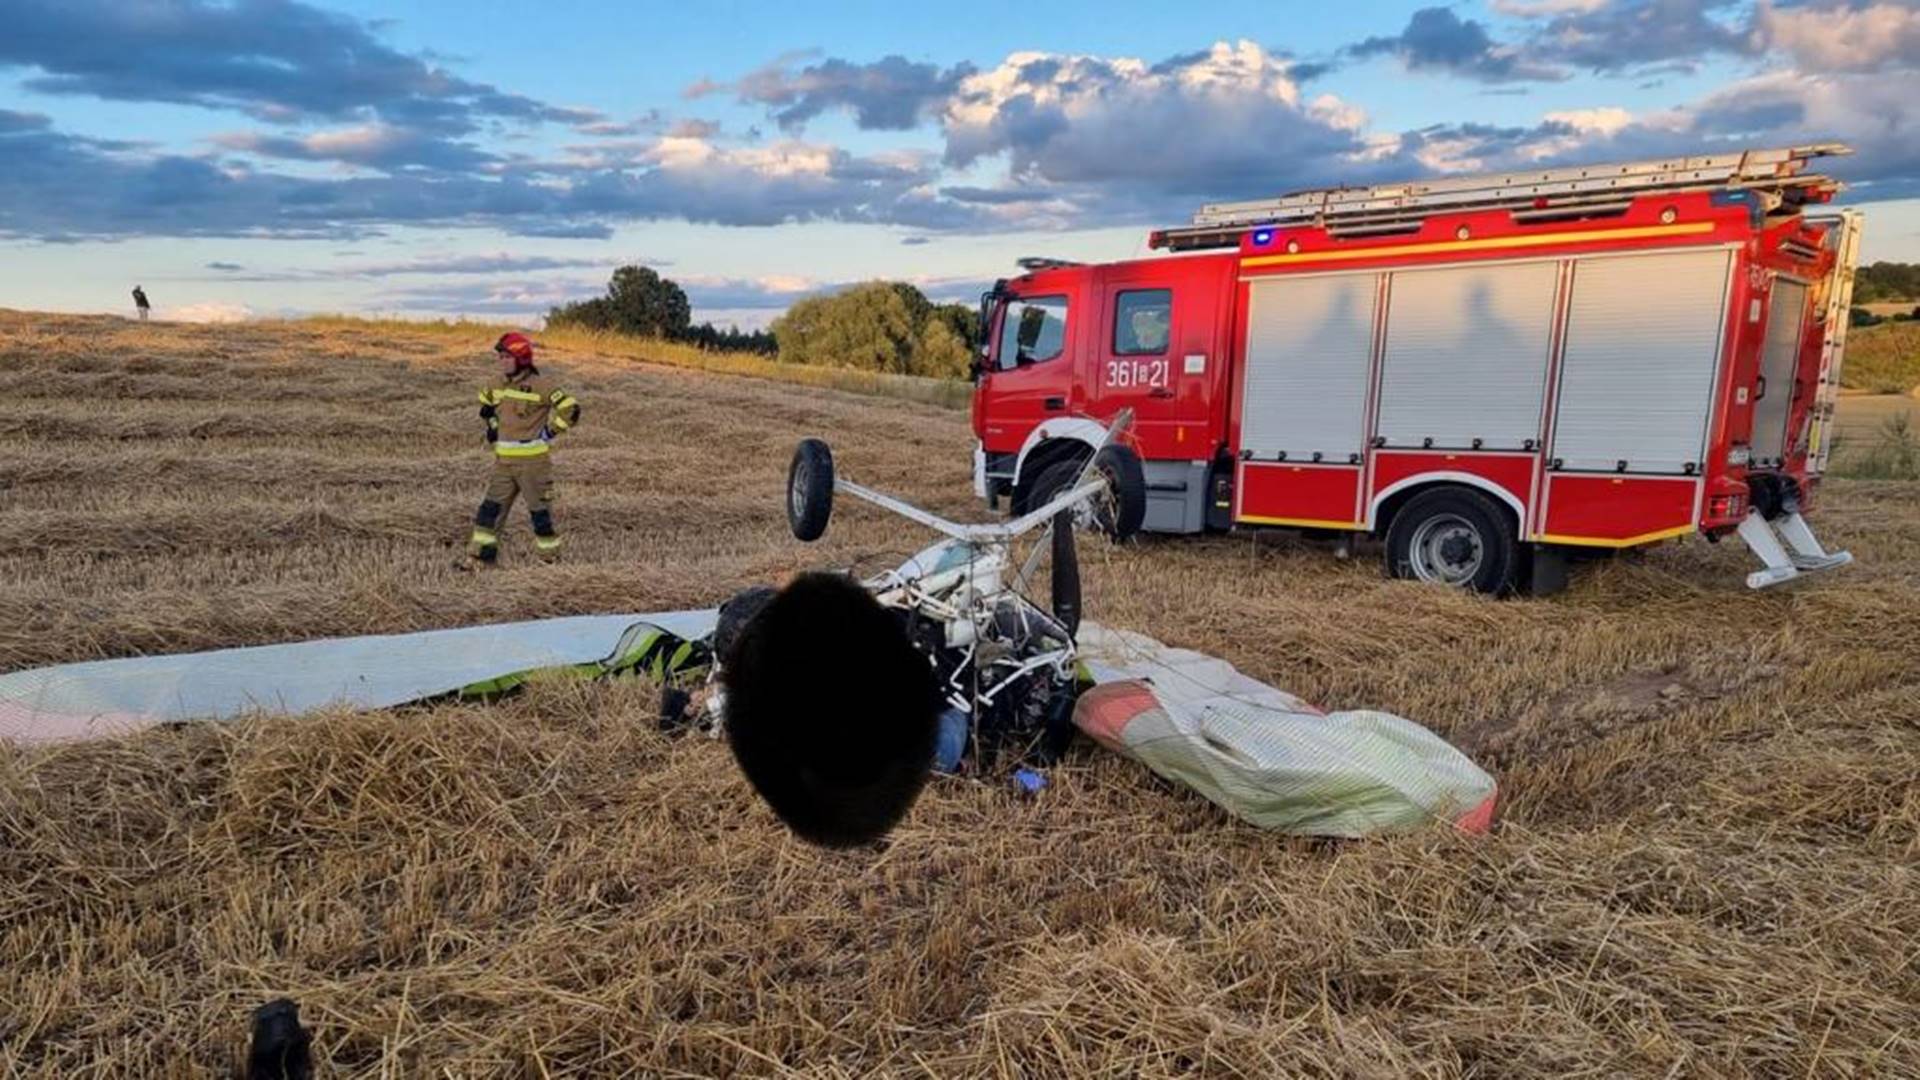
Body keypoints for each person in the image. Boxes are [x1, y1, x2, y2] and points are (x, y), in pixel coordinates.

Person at [465, 332, 581, 567]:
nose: (502, 361)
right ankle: (480, 560)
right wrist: (493, 426)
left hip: (533, 465)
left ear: (522, 359)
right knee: (489, 512)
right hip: (503, 463)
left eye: (507, 357)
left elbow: (571, 409)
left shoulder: (542, 386)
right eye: (500, 357)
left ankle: (549, 561)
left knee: (541, 516)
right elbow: (485, 404)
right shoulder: (495, 384)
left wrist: (550, 432)